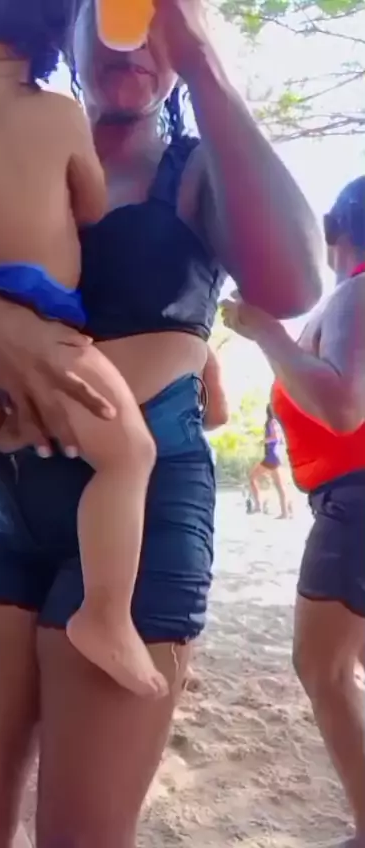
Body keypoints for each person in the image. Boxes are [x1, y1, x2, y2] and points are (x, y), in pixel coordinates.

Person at [0, 0, 322, 843]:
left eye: (163, 20)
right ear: (73, 23)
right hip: (12, 505)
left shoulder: (196, 166)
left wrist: (204, 60)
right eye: (121, 14)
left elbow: (295, 283)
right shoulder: (1, 132)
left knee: (81, 833)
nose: (140, 40)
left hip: (143, 515)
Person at [0, 0, 170, 699]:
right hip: (48, 335)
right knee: (128, 455)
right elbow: (92, 206)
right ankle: (104, 615)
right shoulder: (59, 116)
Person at [221, 176, 365, 847]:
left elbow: (342, 407)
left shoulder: (357, 292)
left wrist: (267, 333)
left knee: (323, 666)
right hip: (346, 499)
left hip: (356, 501)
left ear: (333, 229)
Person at [247, 404, 288, 518]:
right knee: (279, 485)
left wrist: (264, 441)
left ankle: (259, 506)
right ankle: (285, 512)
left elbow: (275, 437)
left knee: (252, 477)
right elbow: (280, 439)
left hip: (271, 456)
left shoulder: (271, 422)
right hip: (275, 455)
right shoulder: (277, 423)